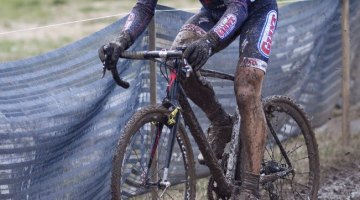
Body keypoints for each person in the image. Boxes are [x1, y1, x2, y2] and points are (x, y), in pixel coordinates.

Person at [99, 0, 278, 199]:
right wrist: (122, 41)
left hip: (256, 10)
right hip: (215, 13)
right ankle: (221, 123)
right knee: (178, 60)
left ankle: (250, 188)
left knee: (246, 90)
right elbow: (144, 7)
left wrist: (209, 41)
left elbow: (239, 7)